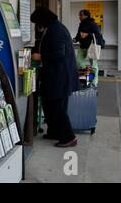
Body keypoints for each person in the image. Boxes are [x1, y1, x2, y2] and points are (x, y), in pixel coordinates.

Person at [31, 8, 79, 148]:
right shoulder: (54, 27)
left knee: (57, 108)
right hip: (56, 75)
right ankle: (54, 132)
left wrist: (40, 57)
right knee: (49, 105)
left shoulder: (55, 30)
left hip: (59, 76)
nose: (36, 26)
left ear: (42, 21)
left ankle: (69, 137)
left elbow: (59, 53)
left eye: (37, 23)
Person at [74, 10, 104, 86]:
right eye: (79, 15)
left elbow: (98, 34)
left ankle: (94, 82)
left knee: (94, 65)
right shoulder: (81, 24)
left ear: (86, 16)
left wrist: (87, 35)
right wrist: (74, 39)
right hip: (82, 46)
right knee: (78, 61)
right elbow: (78, 35)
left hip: (91, 47)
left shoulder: (92, 24)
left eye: (81, 15)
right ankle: (88, 73)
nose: (79, 17)